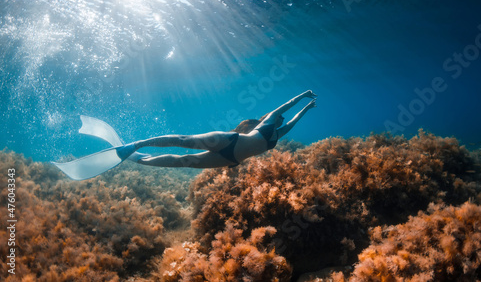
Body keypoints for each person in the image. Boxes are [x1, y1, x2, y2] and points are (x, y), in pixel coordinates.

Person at [52, 90, 316, 180]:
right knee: (183, 142)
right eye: (279, 117)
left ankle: (136, 158)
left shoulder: (278, 134)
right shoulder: (268, 122)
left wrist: (307, 108)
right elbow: (286, 106)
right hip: (231, 140)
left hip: (231, 159)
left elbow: (294, 118)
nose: (282, 119)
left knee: (180, 162)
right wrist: (303, 96)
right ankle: (140, 143)